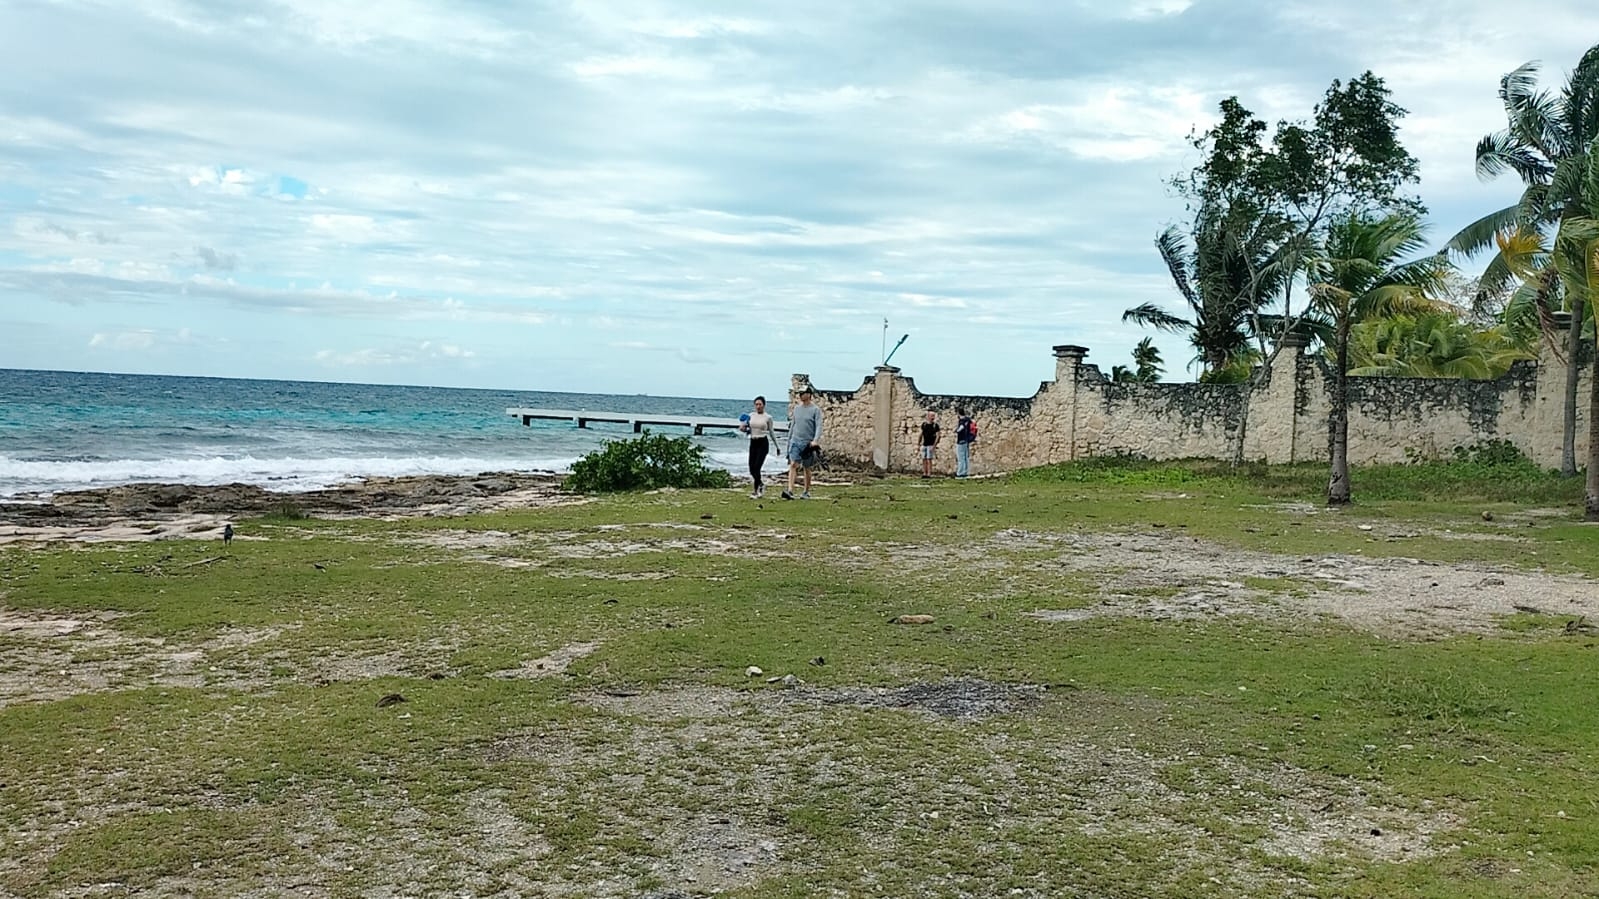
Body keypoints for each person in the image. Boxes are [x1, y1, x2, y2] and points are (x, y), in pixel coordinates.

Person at [782, 387, 823, 500]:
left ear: (809, 395)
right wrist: (789, 440)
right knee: (793, 464)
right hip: (796, 440)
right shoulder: (796, 409)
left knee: (807, 467)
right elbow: (793, 425)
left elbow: (819, 426)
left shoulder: (815, 410)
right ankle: (790, 490)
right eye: (799, 393)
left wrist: (815, 440)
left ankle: (806, 491)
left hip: (808, 443)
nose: (800, 395)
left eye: (803, 393)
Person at [740, 396, 775, 498]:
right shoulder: (751, 416)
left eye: (760, 404)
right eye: (756, 404)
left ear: (764, 405)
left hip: (763, 442)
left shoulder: (768, 417)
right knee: (751, 468)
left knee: (757, 467)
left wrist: (777, 446)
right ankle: (761, 484)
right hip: (753, 442)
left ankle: (756, 491)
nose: (758, 406)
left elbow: (771, 432)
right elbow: (746, 428)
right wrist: (743, 428)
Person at [954, 407, 976, 478]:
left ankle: (960, 472)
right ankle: (965, 471)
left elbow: (961, 427)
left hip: (961, 440)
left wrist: (956, 430)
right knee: (966, 457)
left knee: (960, 457)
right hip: (966, 440)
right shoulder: (968, 420)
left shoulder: (962, 420)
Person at [918, 411, 940, 478]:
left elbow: (938, 436)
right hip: (924, 444)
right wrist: (918, 443)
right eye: (931, 416)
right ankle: (924, 473)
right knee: (924, 459)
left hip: (930, 445)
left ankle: (929, 473)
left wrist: (934, 445)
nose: (933, 417)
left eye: (933, 416)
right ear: (928, 416)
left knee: (929, 459)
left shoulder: (935, 425)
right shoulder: (924, 425)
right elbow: (921, 434)